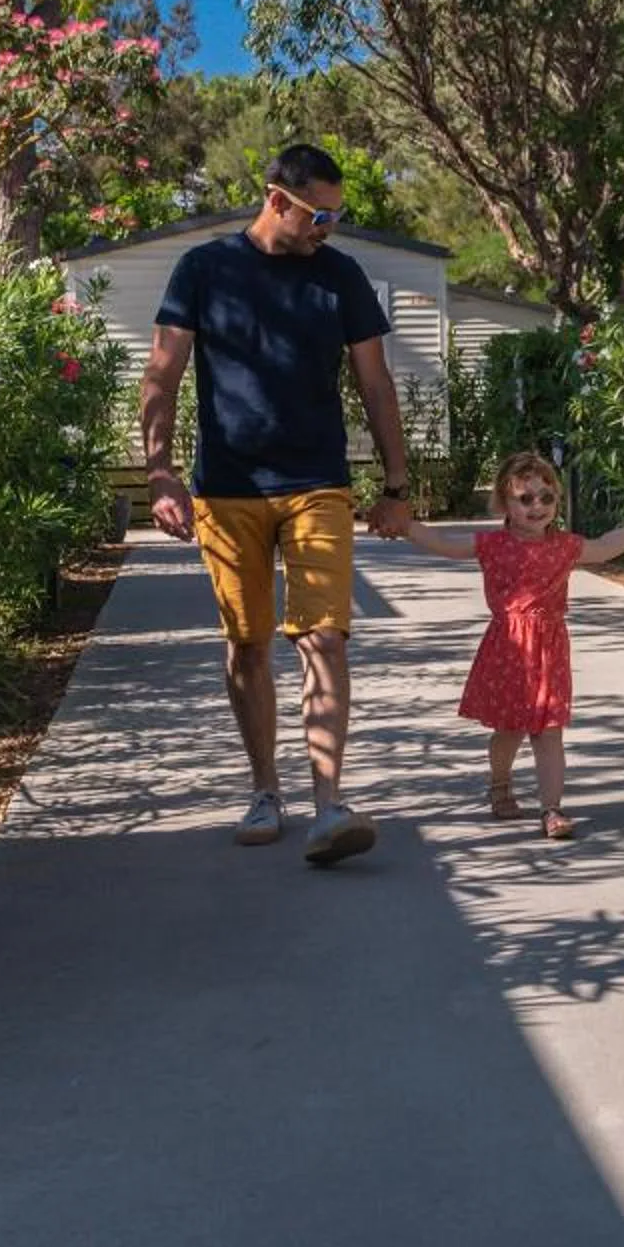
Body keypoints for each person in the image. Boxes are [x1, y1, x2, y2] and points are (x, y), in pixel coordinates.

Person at [137, 144, 415, 866]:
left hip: (318, 481)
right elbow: (163, 373)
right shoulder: (204, 269)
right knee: (249, 642)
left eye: (336, 216)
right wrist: (160, 472)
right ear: (277, 199)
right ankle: (266, 788)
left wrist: (396, 486)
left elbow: (377, 385)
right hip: (227, 489)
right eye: (319, 214)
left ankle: (329, 803)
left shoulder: (340, 276)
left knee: (323, 635)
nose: (328, 227)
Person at [397, 453, 624, 842]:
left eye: (547, 498)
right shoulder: (493, 544)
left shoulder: (565, 546)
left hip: (549, 649)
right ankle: (500, 782)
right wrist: (405, 525)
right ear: (503, 503)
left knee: (549, 730)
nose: (538, 506)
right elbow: (443, 542)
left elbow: (605, 545)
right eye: (525, 499)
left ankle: (552, 809)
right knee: (508, 731)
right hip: (508, 647)